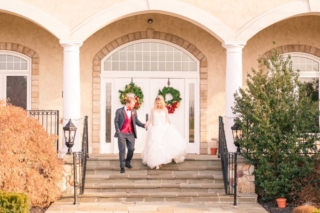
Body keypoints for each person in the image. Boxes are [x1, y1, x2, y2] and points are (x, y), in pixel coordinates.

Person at [142, 95, 187, 169]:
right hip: (155, 129)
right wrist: (147, 123)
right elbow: (151, 119)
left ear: (162, 102)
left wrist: (171, 126)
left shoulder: (165, 109)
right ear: (155, 103)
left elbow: (167, 118)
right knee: (155, 145)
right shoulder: (153, 110)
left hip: (163, 128)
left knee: (163, 146)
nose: (158, 104)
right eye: (157, 103)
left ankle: (160, 162)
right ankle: (156, 163)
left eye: (160, 103)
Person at [114, 97, 145, 173]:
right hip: (122, 133)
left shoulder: (134, 111)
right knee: (122, 150)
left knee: (131, 149)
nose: (134, 106)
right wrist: (118, 131)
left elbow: (136, 121)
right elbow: (116, 122)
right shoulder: (119, 111)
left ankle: (128, 162)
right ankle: (122, 167)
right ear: (128, 103)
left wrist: (143, 125)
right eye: (133, 104)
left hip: (131, 133)